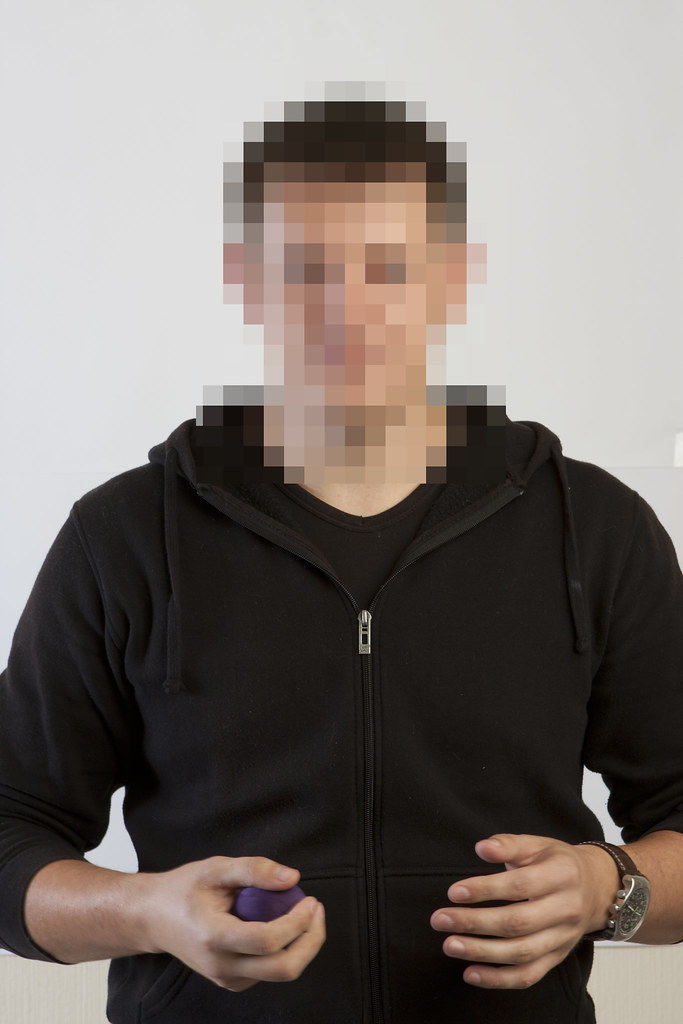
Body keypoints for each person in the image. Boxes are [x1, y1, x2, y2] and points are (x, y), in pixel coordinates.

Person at [1, 89, 683, 1024]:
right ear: (245, 278)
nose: (347, 310)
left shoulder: (595, 529)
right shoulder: (120, 536)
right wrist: (148, 912)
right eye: (305, 269)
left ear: (454, 277)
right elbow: (11, 835)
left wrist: (608, 885)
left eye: (388, 269)